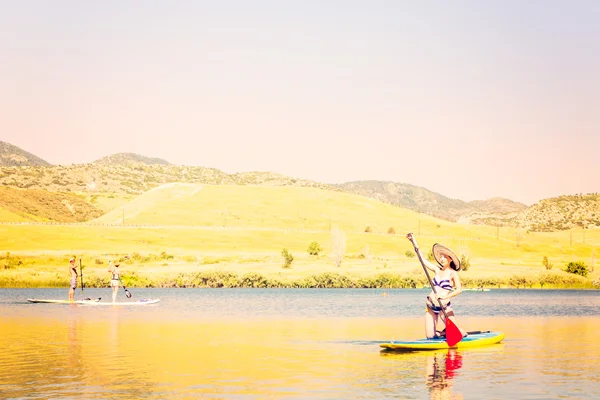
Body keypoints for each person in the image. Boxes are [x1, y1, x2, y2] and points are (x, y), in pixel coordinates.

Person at [406, 233, 467, 339]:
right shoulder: (437, 270)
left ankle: (453, 332)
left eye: (445, 257)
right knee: (430, 336)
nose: (442, 259)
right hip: (431, 306)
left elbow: (459, 290)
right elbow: (422, 260)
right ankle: (443, 334)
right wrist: (413, 242)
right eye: (441, 257)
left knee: (459, 333)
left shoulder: (453, 274)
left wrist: (445, 297)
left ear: (450, 259)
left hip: (444, 306)